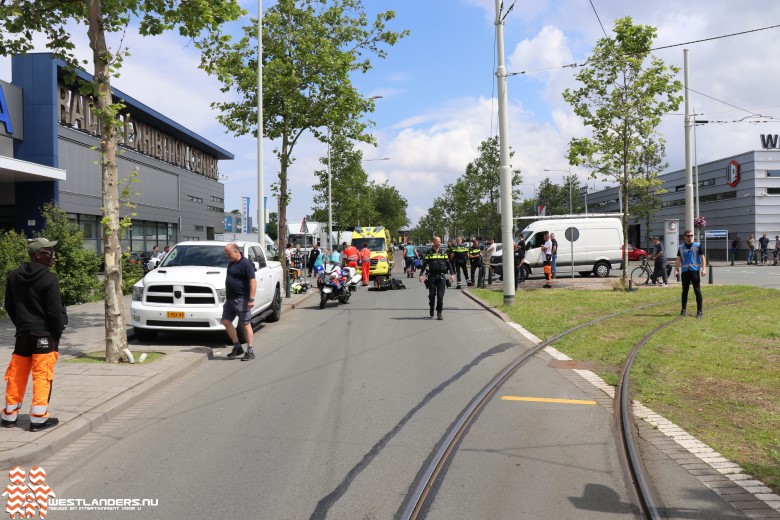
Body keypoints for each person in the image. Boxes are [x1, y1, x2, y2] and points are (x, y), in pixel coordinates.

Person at [2, 238, 67, 432]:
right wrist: (57, 332)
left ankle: (9, 416)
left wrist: (22, 325)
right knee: (42, 376)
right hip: (44, 335)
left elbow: (9, 306)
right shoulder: (50, 278)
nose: (53, 257)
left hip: (22, 334)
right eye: (50, 253)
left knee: (16, 375)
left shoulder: (13, 276)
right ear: (38, 254)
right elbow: (54, 312)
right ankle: (38, 419)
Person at [222, 243, 257, 361]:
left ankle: (250, 351)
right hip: (231, 299)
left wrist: (251, 299)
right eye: (226, 254)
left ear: (236, 251)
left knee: (245, 324)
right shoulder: (231, 263)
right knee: (226, 321)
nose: (227, 256)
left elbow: (252, 281)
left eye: (228, 254)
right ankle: (237, 347)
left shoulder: (245, 264)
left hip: (242, 299)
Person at [418, 236, 455, 320]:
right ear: (433, 242)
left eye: (440, 242)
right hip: (432, 277)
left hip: (441, 276)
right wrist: (420, 275)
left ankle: (439, 312)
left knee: (440, 296)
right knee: (432, 295)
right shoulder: (429, 252)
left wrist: (452, 274)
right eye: (437, 241)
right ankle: (431, 307)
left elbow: (449, 264)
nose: (439, 243)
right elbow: (424, 264)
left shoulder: (443, 252)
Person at [674, 230, 706, 319]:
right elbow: (678, 259)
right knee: (685, 291)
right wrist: (676, 269)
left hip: (694, 271)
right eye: (688, 236)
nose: (690, 237)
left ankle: (699, 311)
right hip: (685, 271)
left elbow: (702, 257)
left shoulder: (698, 245)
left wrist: (704, 269)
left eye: (692, 235)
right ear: (684, 237)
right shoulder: (680, 247)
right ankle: (683, 309)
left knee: (697, 291)